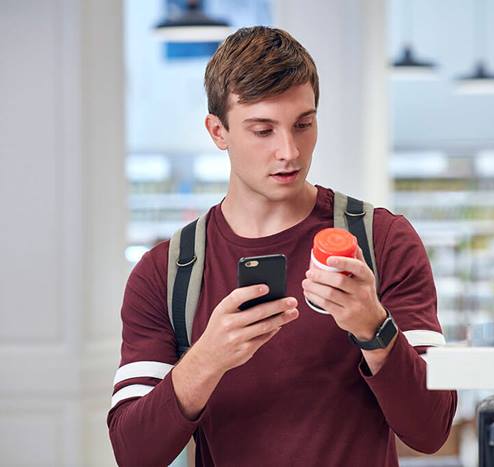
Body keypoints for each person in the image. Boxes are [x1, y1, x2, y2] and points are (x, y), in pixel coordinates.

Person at [107, 26, 457, 466]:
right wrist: (209, 357)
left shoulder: (383, 240)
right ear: (218, 131)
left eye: (303, 125)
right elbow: (133, 452)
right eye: (263, 130)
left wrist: (374, 328)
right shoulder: (168, 270)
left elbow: (431, 430)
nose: (289, 151)